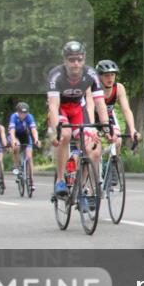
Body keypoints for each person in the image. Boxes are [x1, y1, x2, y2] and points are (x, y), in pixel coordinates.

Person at [46, 41, 115, 206]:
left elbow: (100, 103)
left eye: (79, 59)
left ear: (83, 59)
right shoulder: (56, 75)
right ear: (65, 61)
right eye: (71, 60)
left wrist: (106, 127)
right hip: (61, 110)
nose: (75, 63)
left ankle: (84, 190)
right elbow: (54, 106)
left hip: (78, 110)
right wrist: (56, 130)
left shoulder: (91, 74)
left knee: (94, 149)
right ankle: (61, 181)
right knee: (65, 134)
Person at [95, 59, 141, 145]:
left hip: (108, 116)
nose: (110, 78)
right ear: (99, 76)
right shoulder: (94, 88)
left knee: (118, 141)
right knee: (95, 146)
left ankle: (114, 158)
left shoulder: (119, 88)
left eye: (112, 75)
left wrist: (132, 129)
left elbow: (126, 110)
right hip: (92, 117)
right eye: (106, 75)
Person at [8, 102, 42, 192]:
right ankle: (16, 166)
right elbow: (12, 131)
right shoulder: (14, 117)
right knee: (17, 147)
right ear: (18, 112)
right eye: (21, 113)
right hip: (15, 136)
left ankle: (31, 181)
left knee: (29, 157)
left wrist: (36, 139)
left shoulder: (29, 117)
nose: (23, 115)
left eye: (25, 113)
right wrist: (14, 140)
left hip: (25, 136)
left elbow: (33, 129)